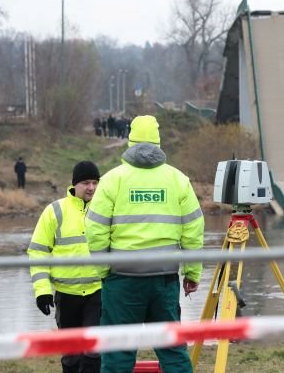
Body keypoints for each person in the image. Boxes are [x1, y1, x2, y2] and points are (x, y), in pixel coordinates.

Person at [85, 115, 204, 373]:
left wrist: (104, 270)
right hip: (164, 280)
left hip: (122, 280)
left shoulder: (112, 180)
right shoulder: (178, 180)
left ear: (130, 139)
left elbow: (95, 230)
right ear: (159, 142)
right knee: (173, 351)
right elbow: (194, 231)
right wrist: (192, 273)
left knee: (117, 354)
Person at [27, 161, 102, 373]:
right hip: (66, 295)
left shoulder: (106, 209)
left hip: (98, 292)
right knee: (71, 355)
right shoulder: (54, 211)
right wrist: (42, 292)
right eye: (86, 182)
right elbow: (38, 251)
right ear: (74, 184)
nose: (91, 188)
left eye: (95, 182)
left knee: (93, 351)